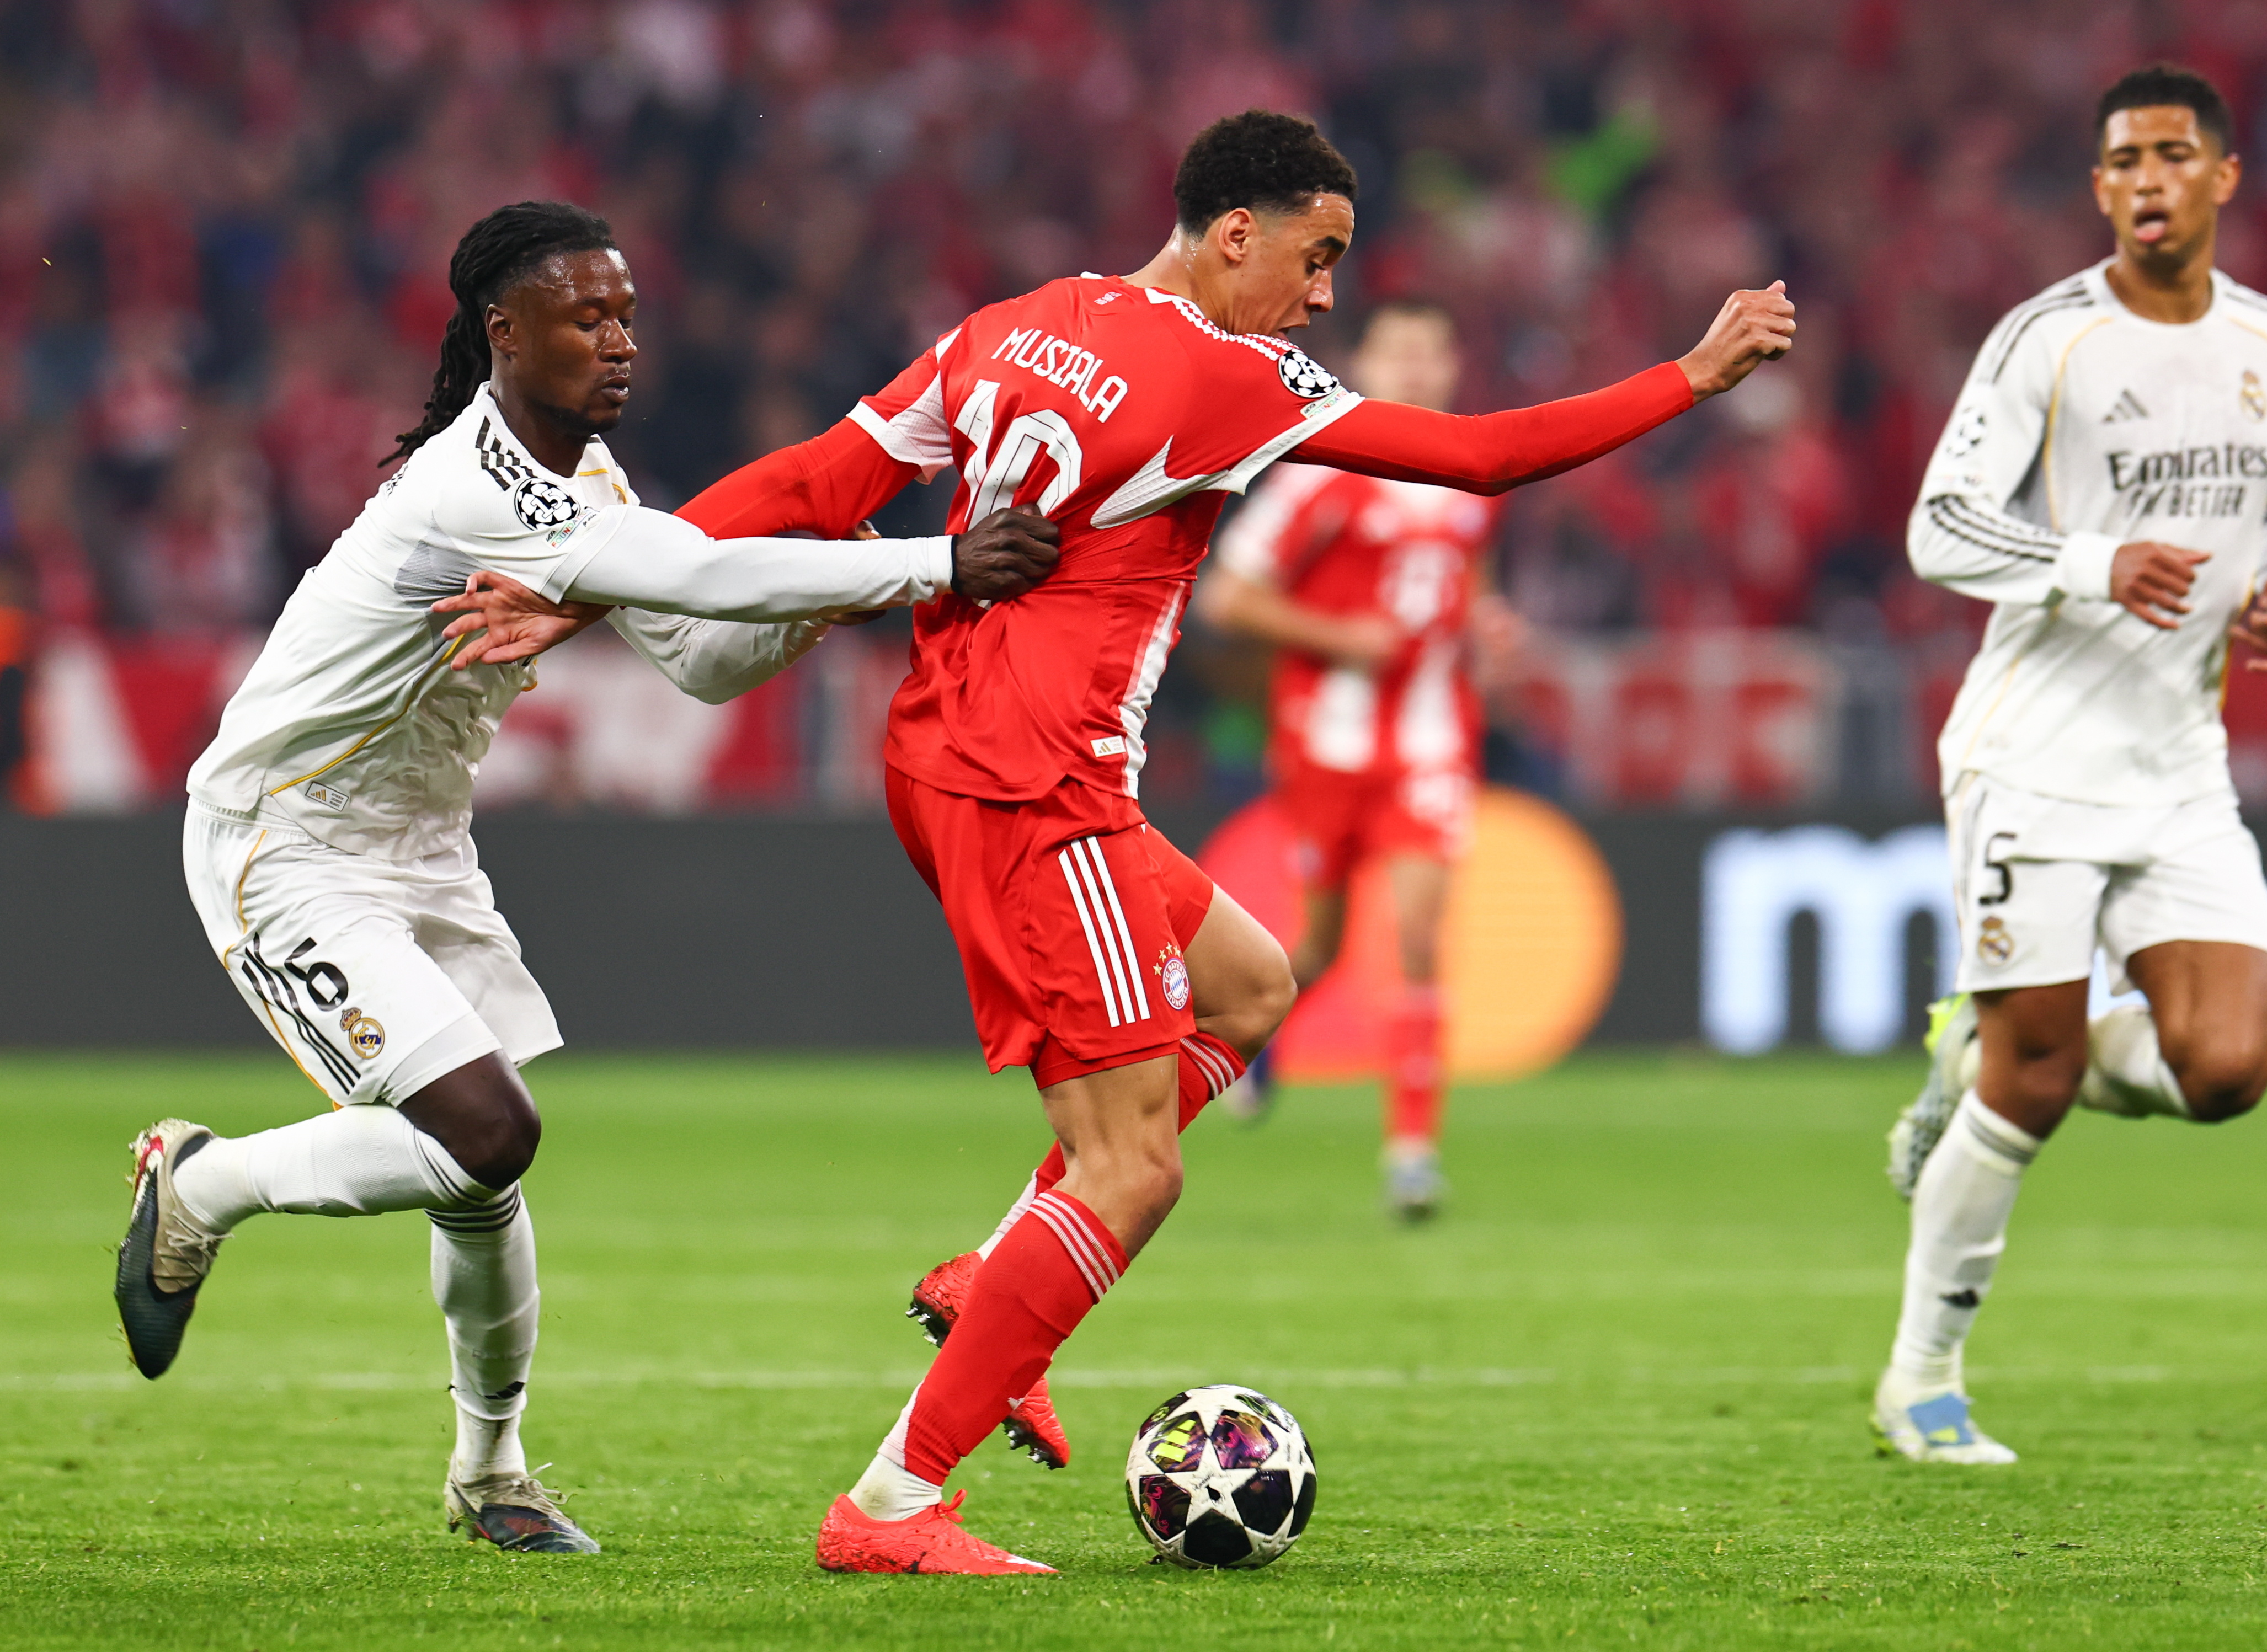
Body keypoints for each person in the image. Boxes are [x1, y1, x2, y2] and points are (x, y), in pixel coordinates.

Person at [442, 109, 1793, 1574]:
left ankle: (998, 1283)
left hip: (942, 751)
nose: (1324, 297)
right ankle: (890, 1503)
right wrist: (1691, 376)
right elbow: (1476, 456)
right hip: (1039, 785)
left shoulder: (1015, 327)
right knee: (1133, 1171)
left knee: (1250, 988)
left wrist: (591, 590)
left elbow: (813, 483)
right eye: (1316, 258)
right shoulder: (1236, 376)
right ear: (1235, 235)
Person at [119, 201, 1058, 1554]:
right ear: (504, 331)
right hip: (286, 839)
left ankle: (489, 1474)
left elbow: (698, 650)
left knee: (478, 1175)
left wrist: (863, 588)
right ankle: (196, 1187)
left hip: (421, 844)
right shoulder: (471, 484)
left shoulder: (586, 481)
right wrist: (933, 565)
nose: (617, 342)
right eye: (584, 316)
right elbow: (699, 573)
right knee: (488, 1130)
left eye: (625, 315)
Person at [1877, 65, 2267, 1464]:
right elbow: (1938, 527)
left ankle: (1993, 1041)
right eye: (2120, 160)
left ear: (2221, 178)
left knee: (2229, 1064)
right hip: (2033, 757)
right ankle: (1920, 1380)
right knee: (2031, 1083)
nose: (2144, 180)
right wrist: (2090, 562)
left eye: (2171, 156)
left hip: (2180, 758)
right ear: (2098, 189)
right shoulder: (2045, 343)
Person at [1194, 299, 1516, 1218]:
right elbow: (1228, 599)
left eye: (1430, 351)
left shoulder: (1471, 476)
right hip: (1327, 747)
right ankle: (1256, 1040)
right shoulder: (1322, 476)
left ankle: (1412, 1154)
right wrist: (1338, 635)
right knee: (1323, 943)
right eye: (1397, 351)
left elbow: (1471, 583)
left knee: (1419, 937)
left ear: (1452, 366)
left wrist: (1491, 626)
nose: (1415, 368)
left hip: (1430, 741)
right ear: (1365, 361)